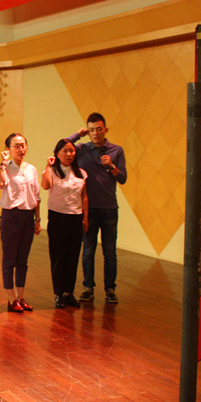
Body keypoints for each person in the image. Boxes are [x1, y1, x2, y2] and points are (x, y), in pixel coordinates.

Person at [68, 113, 127, 304]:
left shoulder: (116, 151)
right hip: (88, 209)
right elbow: (59, 149)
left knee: (110, 252)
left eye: (99, 129)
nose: (95, 133)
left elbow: (123, 178)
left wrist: (112, 166)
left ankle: (110, 289)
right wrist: (77, 135)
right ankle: (88, 287)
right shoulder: (82, 149)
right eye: (91, 130)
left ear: (105, 130)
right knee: (88, 251)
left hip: (109, 210)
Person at [0, 133, 41, 313]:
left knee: (23, 260)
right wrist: (2, 163)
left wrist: (37, 220)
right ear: (8, 149)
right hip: (11, 216)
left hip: (28, 216)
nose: (21, 149)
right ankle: (11, 298)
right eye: (16, 146)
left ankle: (21, 297)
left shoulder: (31, 169)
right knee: (9, 259)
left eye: (23, 145)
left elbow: (36, 196)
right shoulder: (5, 167)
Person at [41, 138, 88, 309]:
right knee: (58, 257)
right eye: (65, 151)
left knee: (72, 257)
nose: (69, 154)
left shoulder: (81, 173)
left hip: (75, 217)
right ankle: (59, 293)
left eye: (71, 151)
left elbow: (84, 196)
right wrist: (48, 166)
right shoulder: (52, 171)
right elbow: (45, 185)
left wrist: (85, 218)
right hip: (57, 217)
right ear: (57, 153)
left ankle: (69, 293)